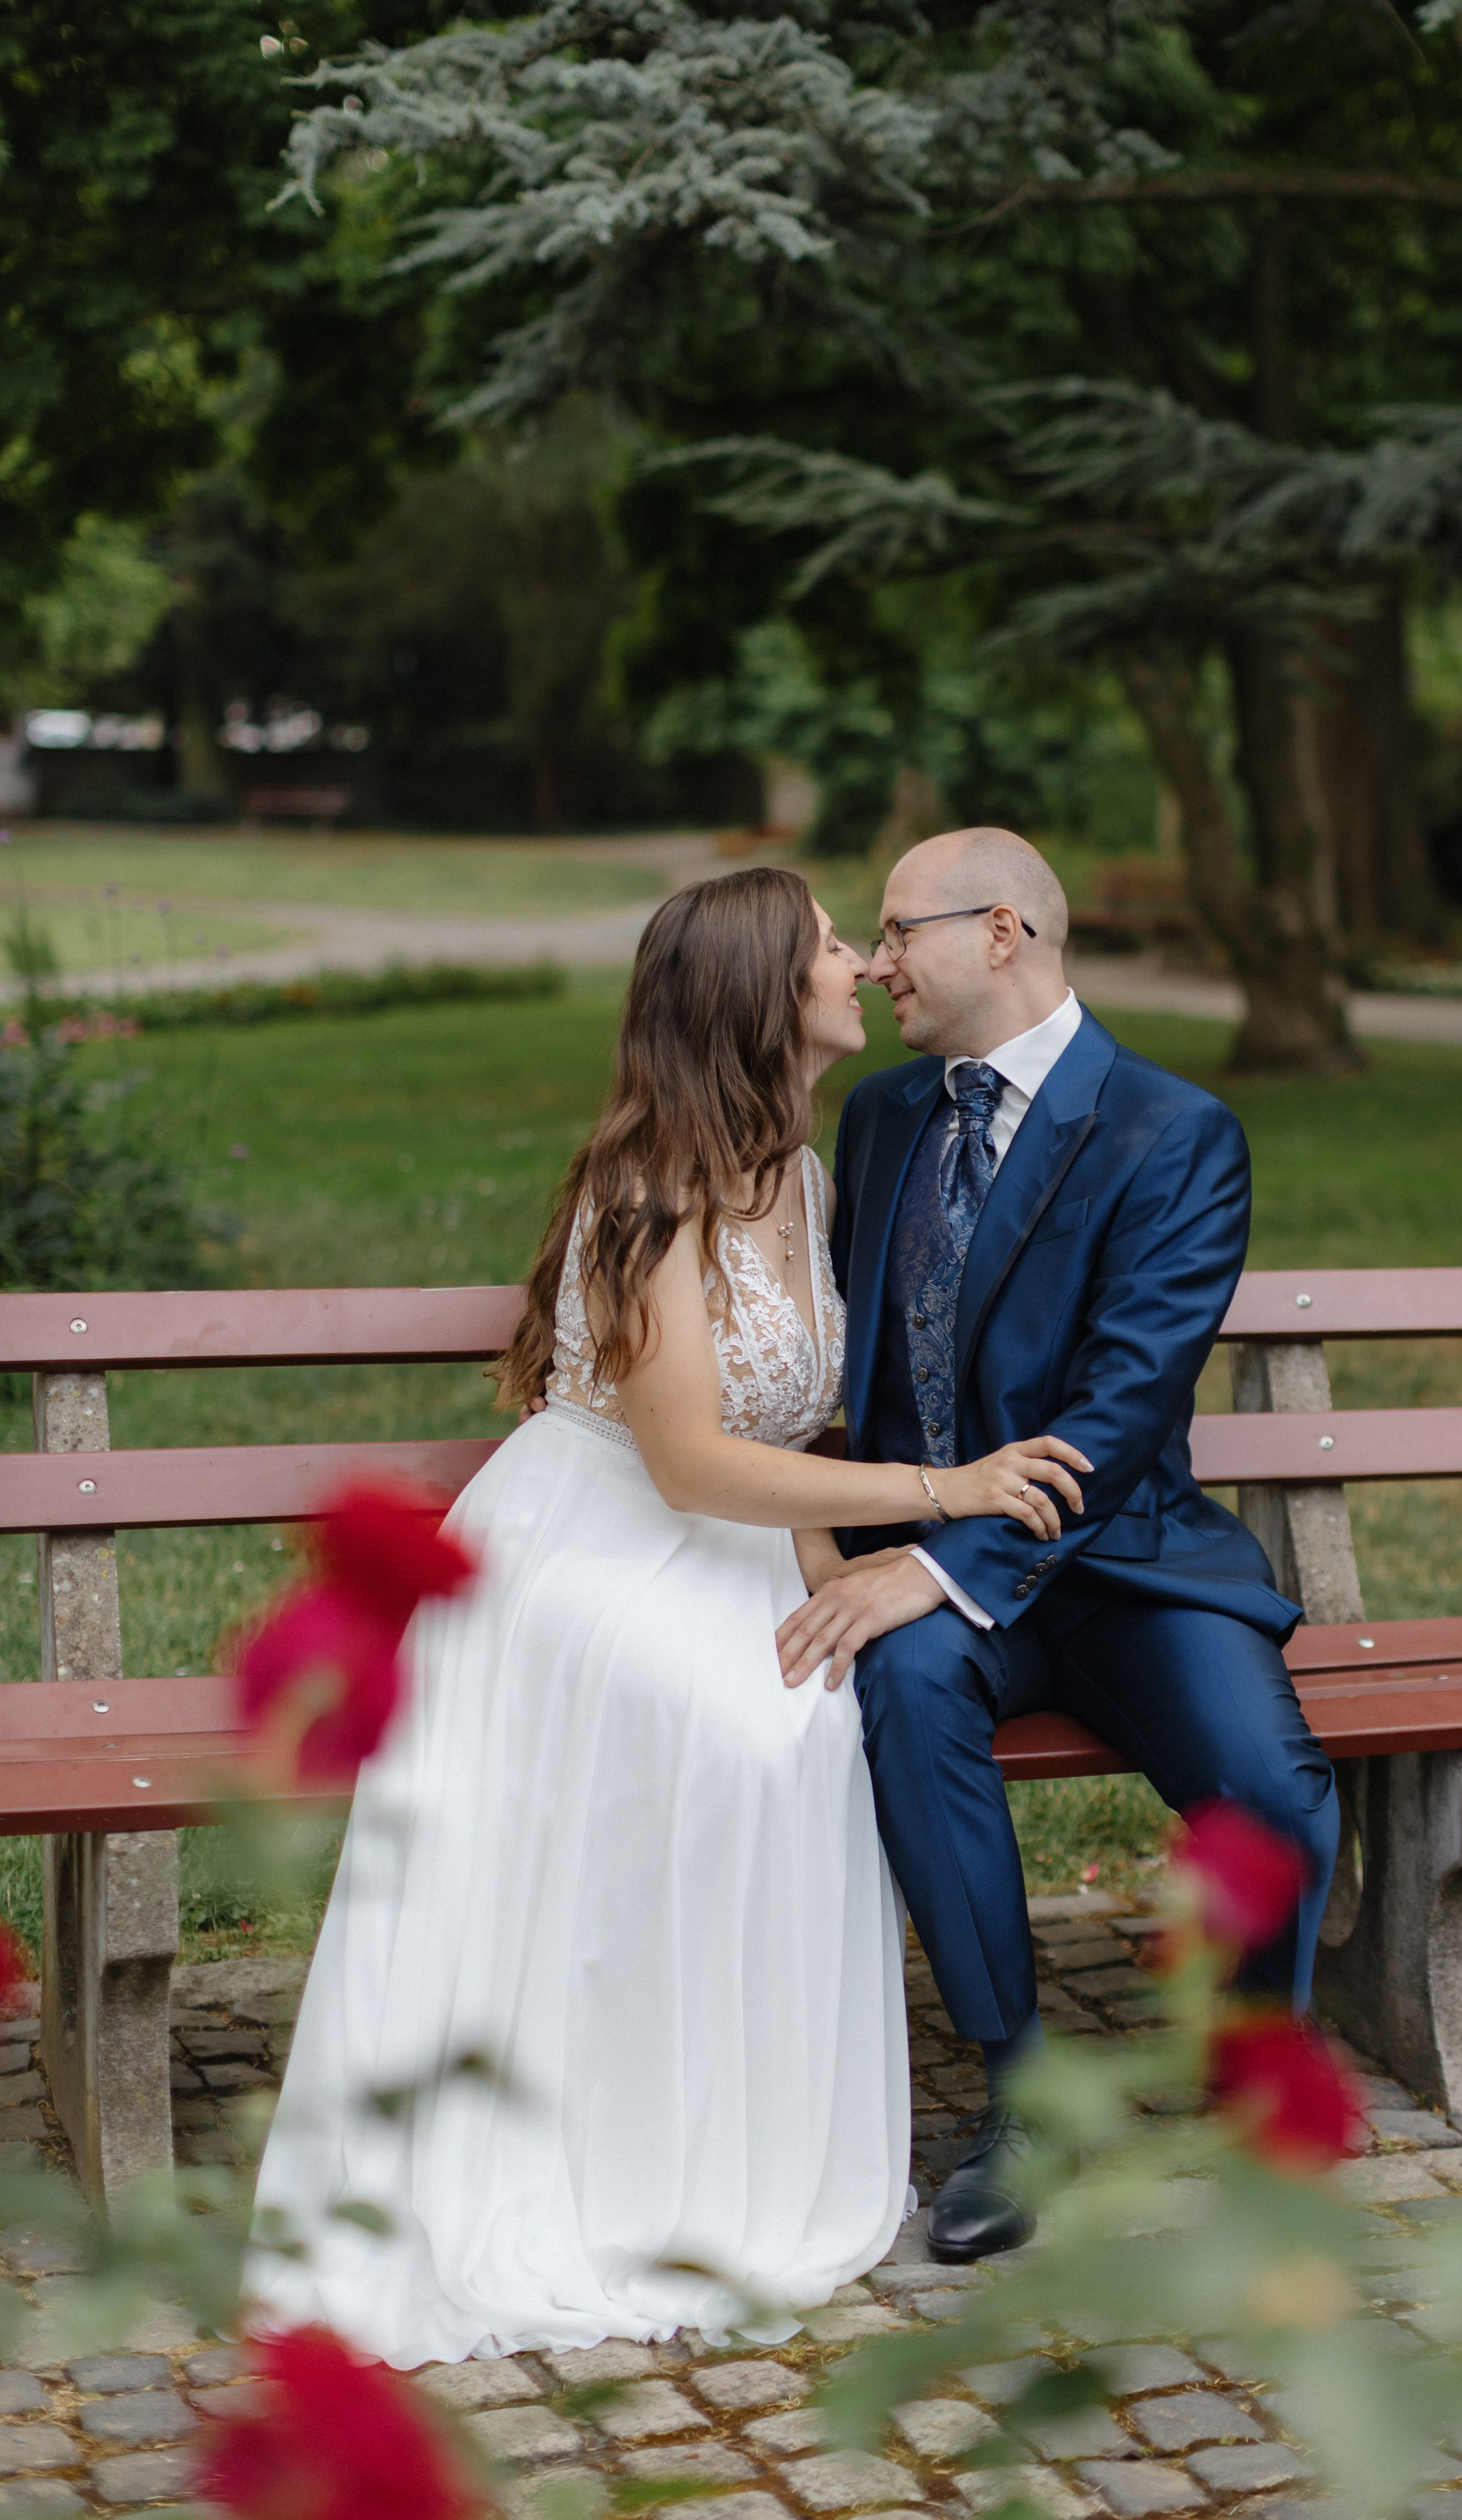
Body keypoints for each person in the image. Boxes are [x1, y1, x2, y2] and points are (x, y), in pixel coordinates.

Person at [250, 866, 1089, 2368]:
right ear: (761, 993)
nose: (858, 963)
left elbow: (794, 1439)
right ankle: (626, 2158)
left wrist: (840, 1579)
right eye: (833, 943)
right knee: (734, 1729)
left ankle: (741, 2152)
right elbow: (688, 1458)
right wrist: (945, 1490)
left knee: (826, 1708)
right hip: (587, 1558)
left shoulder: (804, 1170)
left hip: (729, 1551)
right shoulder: (649, 1188)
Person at [777, 828, 1339, 2264]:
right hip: (950, 1576)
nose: (878, 960)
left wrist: (943, 1563)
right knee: (901, 1688)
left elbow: (1121, 1404)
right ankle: (1013, 2098)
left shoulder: (1172, 1131)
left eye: (901, 930)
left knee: (1267, 1788)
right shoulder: (886, 1116)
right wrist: (894, 1542)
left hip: (1132, 1569)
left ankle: (1251, 2052)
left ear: (1005, 932)